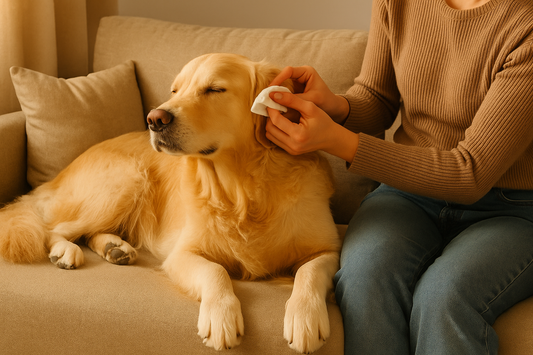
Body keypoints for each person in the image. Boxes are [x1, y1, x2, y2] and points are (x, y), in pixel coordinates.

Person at [264, 0, 533, 353]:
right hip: (408, 194)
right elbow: (376, 97)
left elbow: (470, 173)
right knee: (364, 278)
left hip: (511, 208)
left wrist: (337, 140)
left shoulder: (525, 26)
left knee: (444, 297)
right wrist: (335, 106)